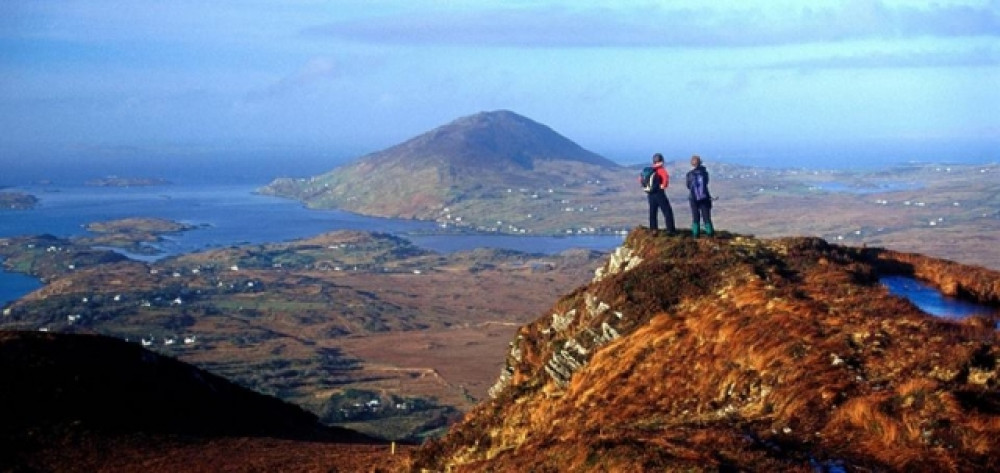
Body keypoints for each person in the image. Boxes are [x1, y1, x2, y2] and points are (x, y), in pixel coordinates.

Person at [641, 153, 676, 232]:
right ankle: (670, 230)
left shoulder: (648, 170)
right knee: (667, 211)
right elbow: (665, 181)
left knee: (652, 212)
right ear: (661, 161)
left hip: (650, 194)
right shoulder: (661, 170)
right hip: (659, 193)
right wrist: (662, 186)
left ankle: (653, 230)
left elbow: (640, 180)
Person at [686, 154, 713, 237]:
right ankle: (710, 234)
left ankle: (695, 234)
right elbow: (706, 183)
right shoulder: (705, 173)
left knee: (695, 216)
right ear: (700, 163)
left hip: (693, 198)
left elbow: (688, 186)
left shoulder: (689, 174)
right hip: (704, 197)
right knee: (706, 217)